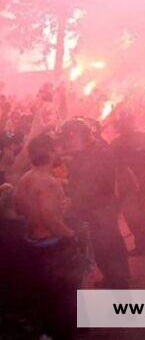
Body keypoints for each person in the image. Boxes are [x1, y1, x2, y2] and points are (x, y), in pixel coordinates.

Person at [14, 134, 82, 338]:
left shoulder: (25, 178)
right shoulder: (49, 182)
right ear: (50, 153)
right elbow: (49, 217)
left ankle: (46, 333)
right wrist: (70, 234)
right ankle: (62, 333)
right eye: (56, 149)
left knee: (43, 295)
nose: (59, 152)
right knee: (62, 297)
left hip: (33, 243)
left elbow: (18, 208)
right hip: (51, 245)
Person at [60, 118, 130, 288]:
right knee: (111, 246)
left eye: (70, 138)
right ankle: (116, 278)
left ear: (81, 135)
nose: (67, 143)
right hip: (101, 207)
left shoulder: (96, 155)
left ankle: (119, 293)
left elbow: (93, 185)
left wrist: (74, 201)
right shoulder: (93, 149)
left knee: (107, 249)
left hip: (100, 209)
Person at [111, 111, 145, 255]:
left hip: (129, 181)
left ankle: (142, 246)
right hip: (141, 177)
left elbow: (112, 160)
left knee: (132, 214)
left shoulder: (119, 143)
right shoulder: (143, 137)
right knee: (141, 210)